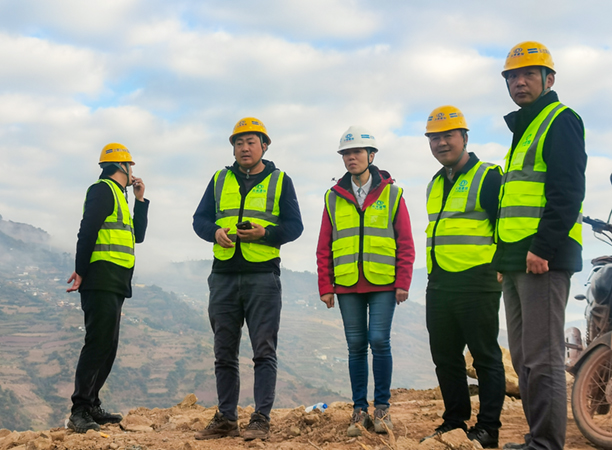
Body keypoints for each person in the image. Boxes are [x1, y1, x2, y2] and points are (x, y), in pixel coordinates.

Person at [496, 41, 586, 450]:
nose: (519, 82)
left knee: (542, 355)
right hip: (517, 258)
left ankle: (547, 444)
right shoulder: (525, 127)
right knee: (523, 356)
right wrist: (504, 258)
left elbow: (567, 191)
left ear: (549, 79)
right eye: (512, 76)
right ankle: (537, 437)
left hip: (542, 259)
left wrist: (544, 248)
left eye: (528, 74)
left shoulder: (560, 120)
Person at [192, 117, 303, 441]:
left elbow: (295, 226)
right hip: (223, 276)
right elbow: (199, 219)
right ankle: (226, 419)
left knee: (263, 351)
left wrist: (264, 234)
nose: (244, 148)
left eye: (250, 142)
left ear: (264, 146)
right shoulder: (219, 179)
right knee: (224, 352)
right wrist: (214, 232)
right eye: (238, 143)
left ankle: (260, 420)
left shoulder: (281, 181)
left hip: (262, 276)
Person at [316, 126, 414, 437]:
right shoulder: (333, 197)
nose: (351, 158)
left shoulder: (393, 194)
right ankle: (359, 410)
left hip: (383, 282)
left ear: (371, 156)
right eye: (346, 153)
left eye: (357, 152)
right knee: (356, 346)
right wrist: (325, 286)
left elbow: (405, 242)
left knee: (379, 341)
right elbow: (324, 246)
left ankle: (382, 408)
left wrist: (403, 282)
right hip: (347, 284)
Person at [420, 106, 505, 448]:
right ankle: (454, 421)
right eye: (434, 138)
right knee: (445, 357)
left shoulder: (488, 176)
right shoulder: (435, 182)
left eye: (448, 136)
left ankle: (488, 429)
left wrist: (499, 267)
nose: (441, 143)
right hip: (440, 281)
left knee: (485, 357)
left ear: (465, 138)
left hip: (477, 280)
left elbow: (504, 226)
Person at [65, 143, 149, 433]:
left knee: (108, 346)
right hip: (100, 279)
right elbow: (86, 231)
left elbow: (138, 236)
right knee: (97, 343)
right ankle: (79, 410)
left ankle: (92, 404)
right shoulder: (102, 190)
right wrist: (81, 271)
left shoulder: (120, 196)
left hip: (116, 281)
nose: (133, 171)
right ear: (122, 166)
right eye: (131, 166)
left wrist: (140, 200)